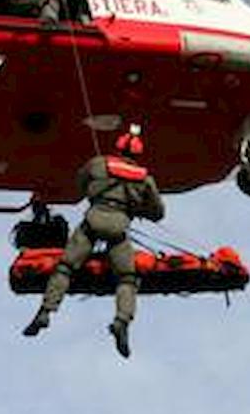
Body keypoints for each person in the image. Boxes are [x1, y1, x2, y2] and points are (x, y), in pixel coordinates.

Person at [22, 124, 165, 358]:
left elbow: (80, 185)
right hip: (119, 228)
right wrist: (134, 209)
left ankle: (45, 311)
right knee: (127, 279)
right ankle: (122, 322)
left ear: (118, 149)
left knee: (65, 268)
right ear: (138, 154)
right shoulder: (145, 179)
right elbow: (158, 212)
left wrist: (98, 196)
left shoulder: (98, 164)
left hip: (92, 221)